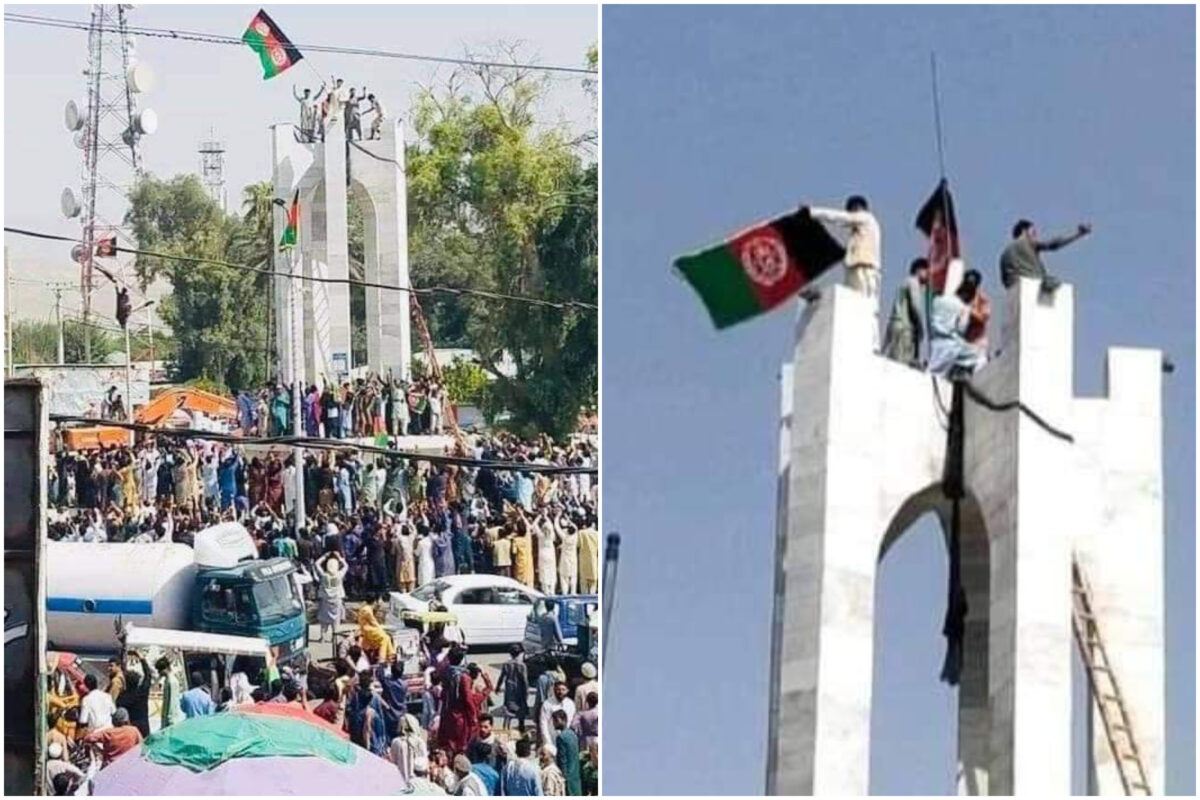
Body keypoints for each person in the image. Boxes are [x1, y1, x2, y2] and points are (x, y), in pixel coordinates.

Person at [807, 195, 883, 304]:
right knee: (851, 303)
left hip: (863, 269)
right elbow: (840, 223)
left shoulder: (865, 218)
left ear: (857, 208)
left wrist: (811, 212)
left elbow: (837, 217)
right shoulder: (860, 230)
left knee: (861, 302)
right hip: (856, 269)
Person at [999, 219, 1091, 291]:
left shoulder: (1004, 254)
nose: (1035, 236)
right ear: (1024, 231)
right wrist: (1078, 234)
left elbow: (1004, 280)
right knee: (1054, 283)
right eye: (1033, 232)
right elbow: (1054, 244)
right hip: (1032, 283)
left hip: (1013, 286)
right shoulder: (1025, 242)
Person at [928, 269, 988, 377]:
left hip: (936, 342)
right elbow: (961, 329)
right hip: (952, 346)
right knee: (980, 358)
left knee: (933, 373)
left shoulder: (938, 300)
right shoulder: (963, 308)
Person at [882, 258, 929, 368]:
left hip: (895, 325)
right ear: (918, 270)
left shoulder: (904, 282)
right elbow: (916, 306)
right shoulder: (913, 282)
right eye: (926, 271)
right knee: (901, 365)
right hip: (904, 329)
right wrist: (920, 327)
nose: (928, 275)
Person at [496, 644, 530, 732]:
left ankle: (506, 729)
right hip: (520, 690)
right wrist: (527, 691)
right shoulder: (522, 665)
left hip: (509, 690)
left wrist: (497, 687)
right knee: (521, 711)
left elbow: (501, 677)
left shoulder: (506, 664)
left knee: (508, 711)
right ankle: (521, 730)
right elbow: (525, 680)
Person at [315, 551, 347, 643]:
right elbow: (346, 566)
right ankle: (334, 637)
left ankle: (323, 637)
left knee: (324, 619)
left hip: (325, 600)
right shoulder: (339, 575)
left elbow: (317, 564)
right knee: (336, 619)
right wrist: (340, 558)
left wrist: (325, 556)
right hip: (337, 599)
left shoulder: (324, 576)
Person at [552, 710, 581, 796]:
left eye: (555, 721)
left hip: (567, 777)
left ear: (563, 720)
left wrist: (562, 777)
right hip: (575, 776)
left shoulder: (561, 737)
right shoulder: (573, 734)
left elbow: (562, 760)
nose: (554, 723)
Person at [538, 682, 575, 750]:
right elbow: (543, 723)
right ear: (554, 690)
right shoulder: (547, 704)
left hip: (566, 739)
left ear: (567, 691)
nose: (561, 692)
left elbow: (572, 721)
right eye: (558, 689)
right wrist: (547, 741)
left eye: (563, 690)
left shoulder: (570, 704)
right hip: (551, 739)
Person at [156, 657, 184, 730]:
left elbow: (172, 702)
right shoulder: (167, 680)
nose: (159, 673)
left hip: (172, 721)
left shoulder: (172, 682)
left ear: (165, 668)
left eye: (160, 670)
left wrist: (169, 721)